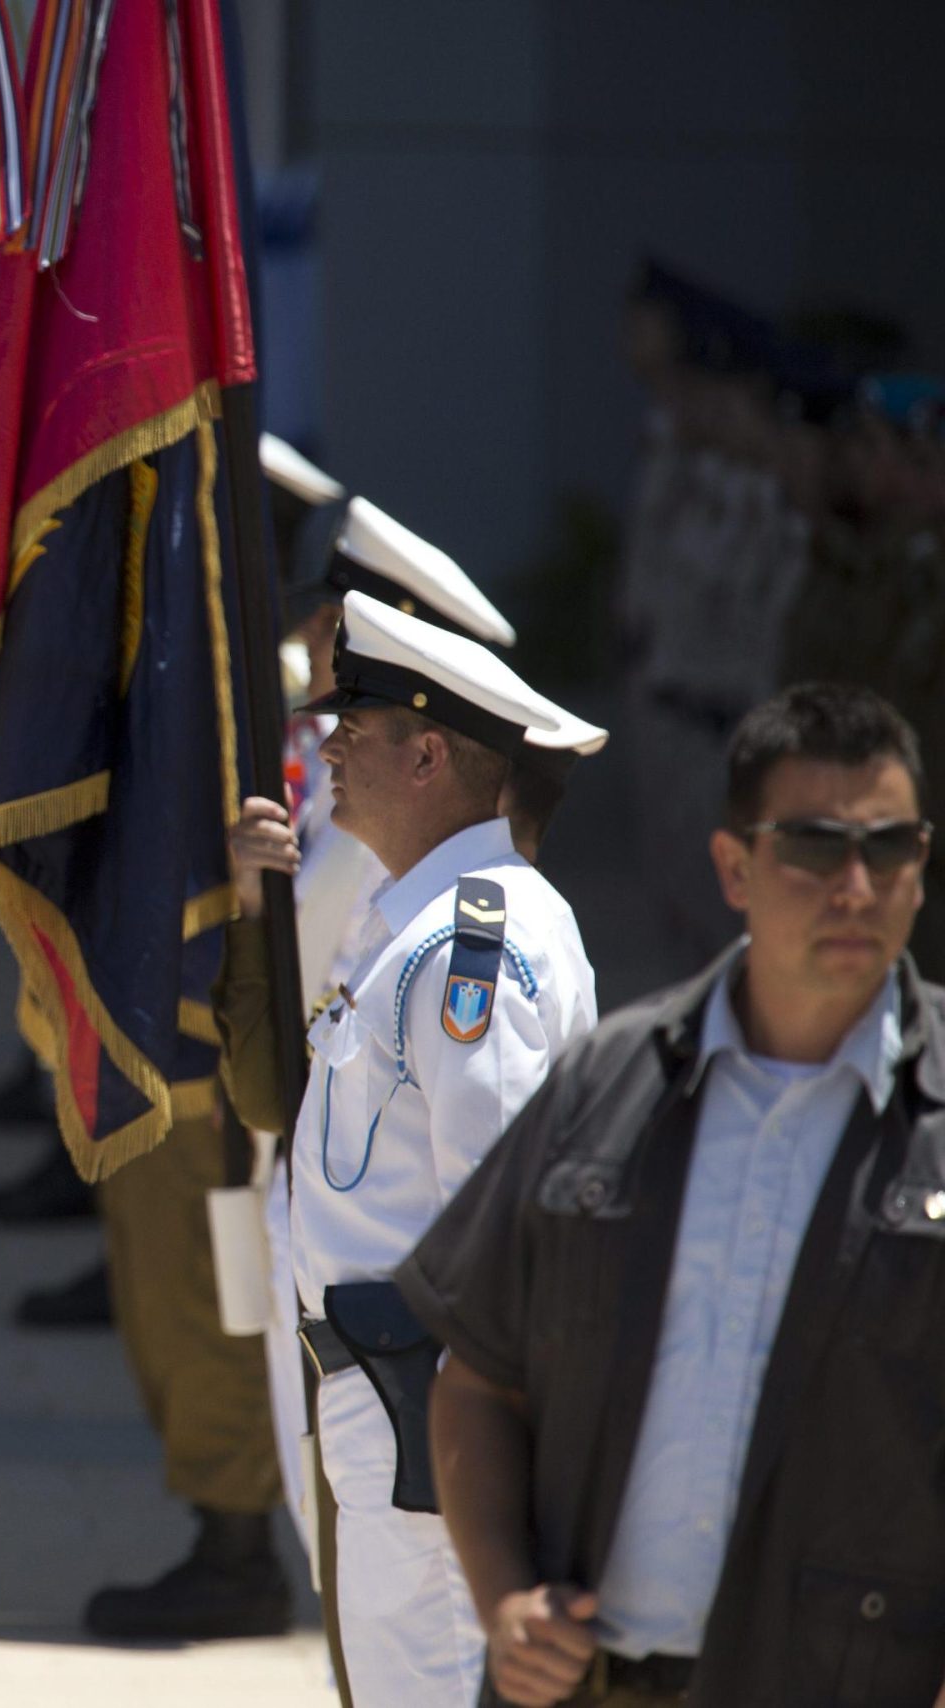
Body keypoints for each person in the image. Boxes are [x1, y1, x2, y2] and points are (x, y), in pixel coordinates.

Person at [406, 683, 945, 1708]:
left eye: (889, 849)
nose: (855, 887)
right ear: (733, 867)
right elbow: (476, 1380)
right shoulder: (605, 1086)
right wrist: (506, 1600)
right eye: (815, 845)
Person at [84, 462, 531, 1648]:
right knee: (335, 1528)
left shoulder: (444, 879)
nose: (318, 649)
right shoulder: (358, 810)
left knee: (390, 1571)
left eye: (348, 638)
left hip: (373, 1251)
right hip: (312, 1179)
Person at [264, 591, 602, 1704]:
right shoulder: (415, 916)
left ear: (425, 756)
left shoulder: (475, 943)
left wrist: (481, 1471)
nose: (329, 754)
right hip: (388, 1404)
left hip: (430, 1424)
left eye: (351, 735)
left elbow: (498, 1226)